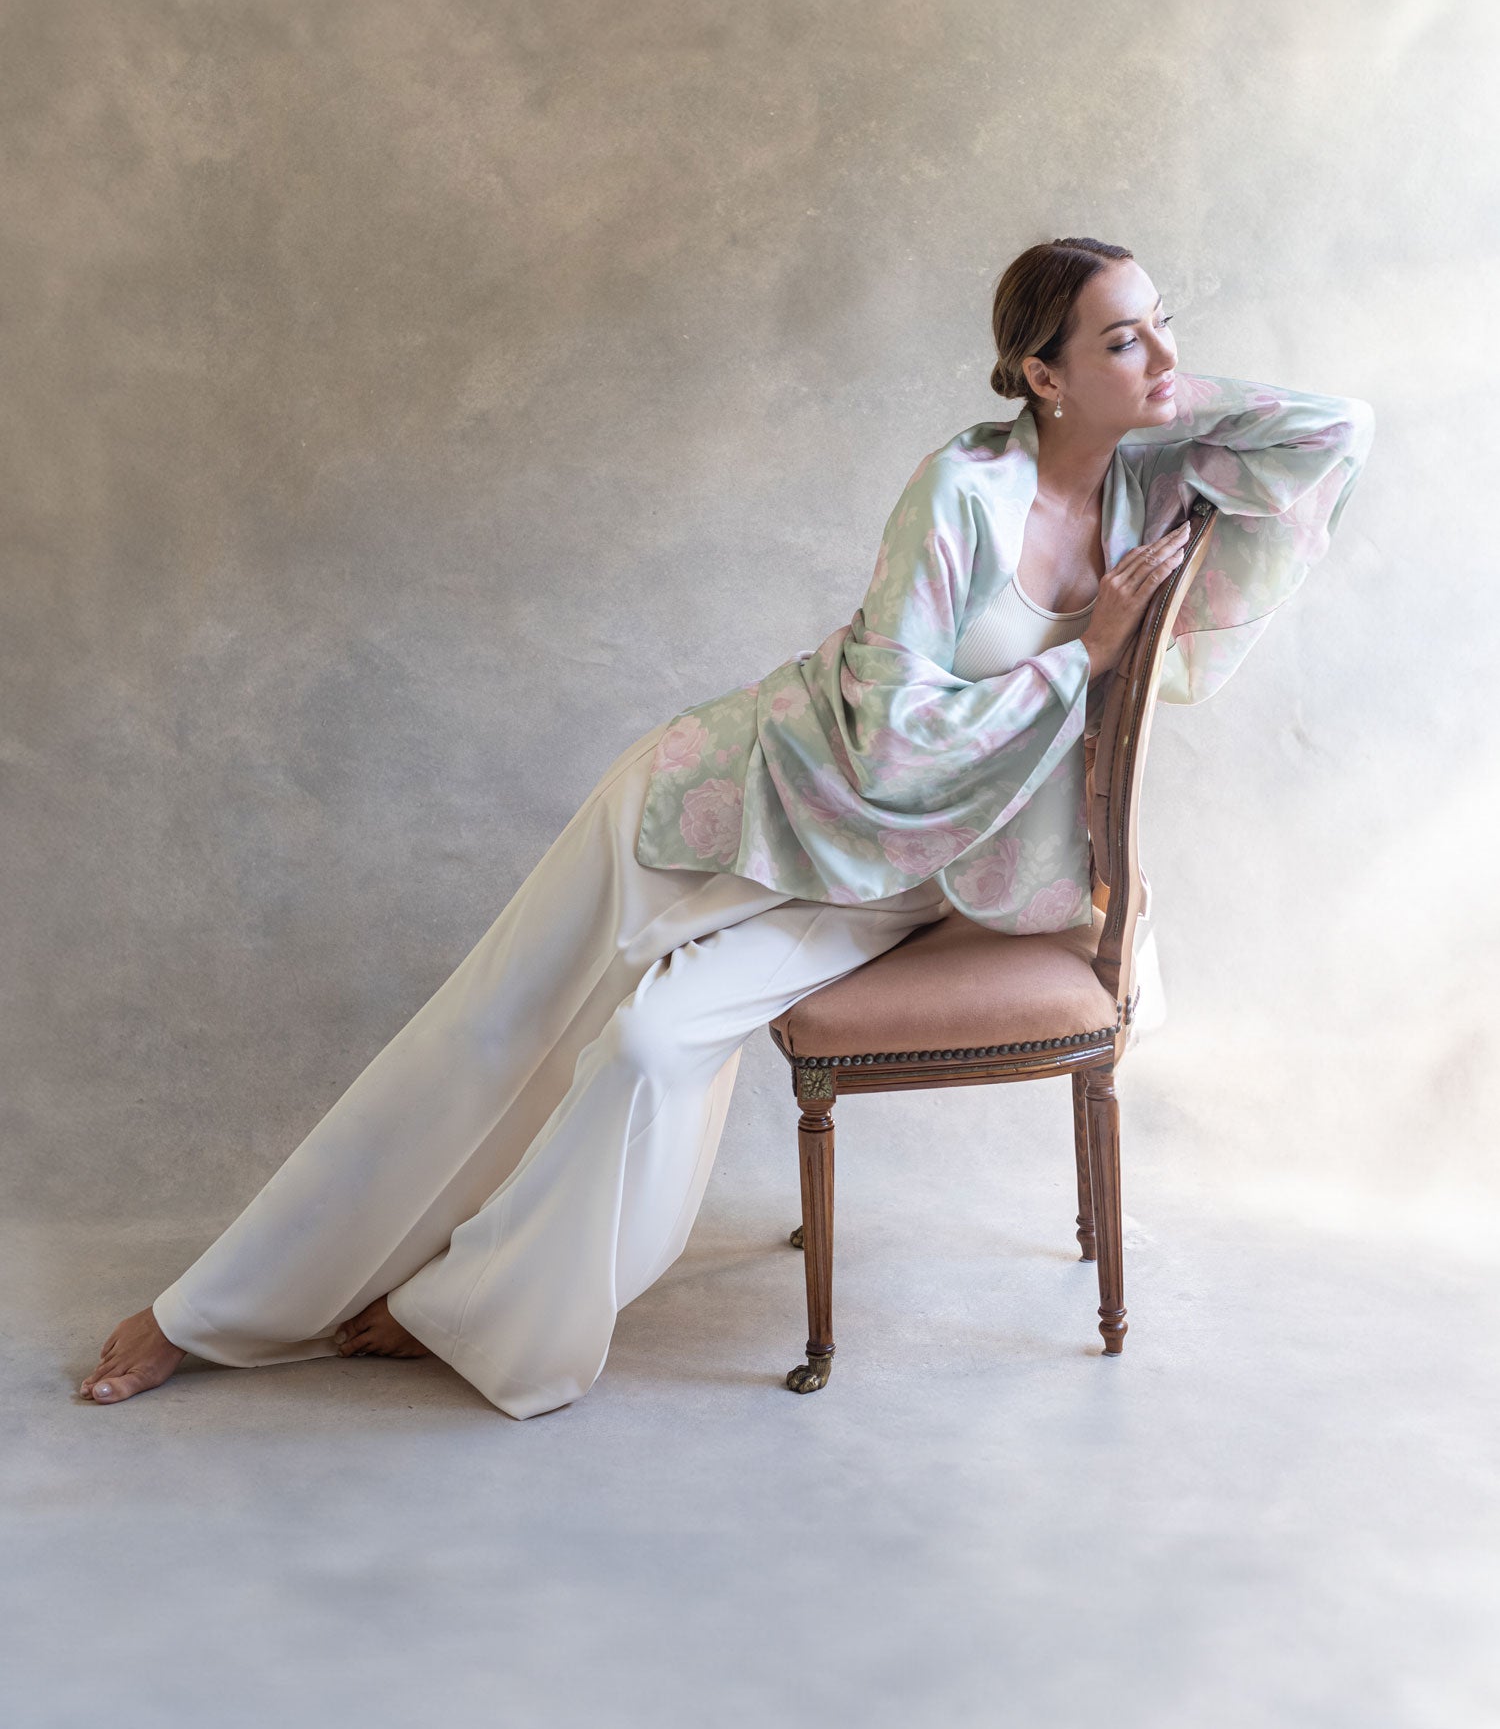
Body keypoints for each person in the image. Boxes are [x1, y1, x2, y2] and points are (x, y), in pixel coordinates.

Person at [78, 237, 1373, 1418]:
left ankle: (468, 1309)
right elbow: (890, 737)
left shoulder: (1154, 486)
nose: (1162, 356)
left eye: (1161, 326)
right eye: (1121, 339)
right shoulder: (960, 498)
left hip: (904, 871)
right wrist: (1076, 660)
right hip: (740, 797)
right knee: (494, 1021)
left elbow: (1335, 429)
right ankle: (212, 1310)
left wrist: (1152, 386)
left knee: (646, 1046)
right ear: (1038, 375)